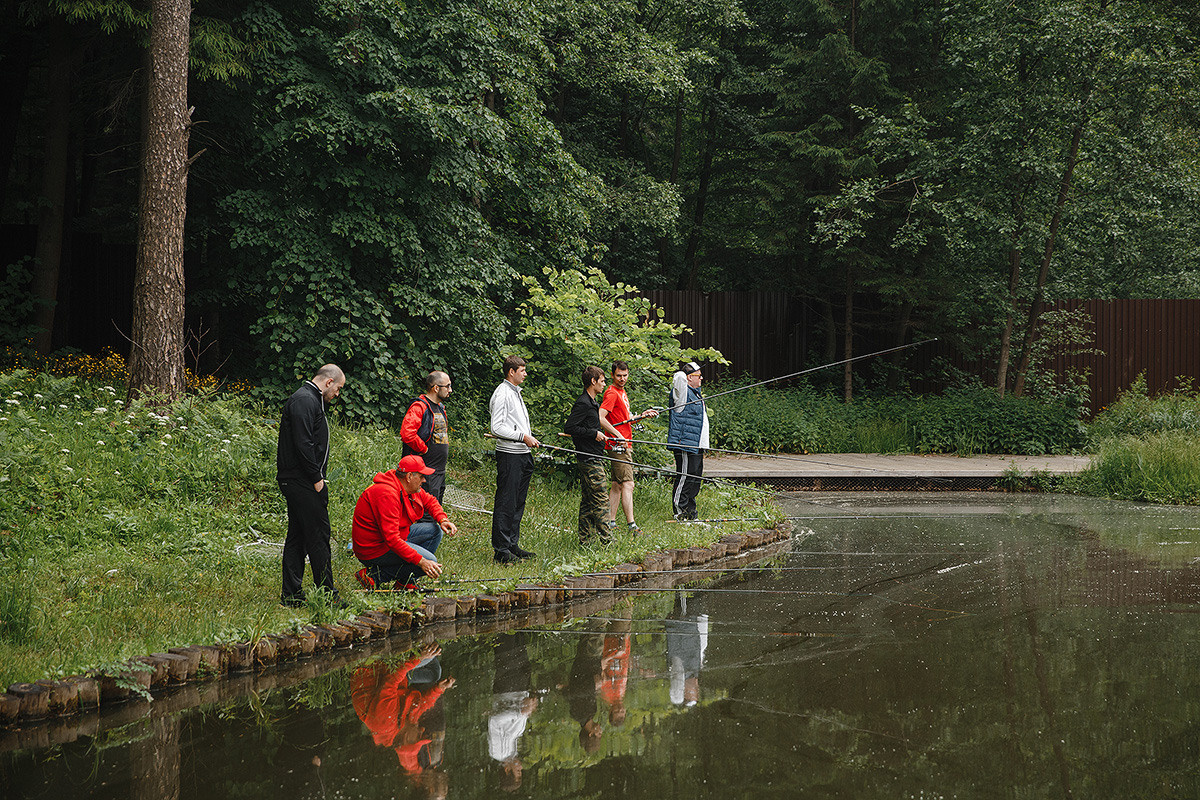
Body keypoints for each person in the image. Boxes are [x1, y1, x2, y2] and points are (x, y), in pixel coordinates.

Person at [277, 363, 345, 607]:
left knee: (298, 536)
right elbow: (303, 444)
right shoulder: (305, 400)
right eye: (338, 389)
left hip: (300, 478)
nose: (338, 394)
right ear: (328, 382)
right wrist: (317, 479)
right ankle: (327, 595)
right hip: (301, 479)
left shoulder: (312, 400)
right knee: (318, 534)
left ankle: (292, 595)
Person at [351, 455, 458, 591]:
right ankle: (374, 576)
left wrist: (442, 519)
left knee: (434, 531)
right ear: (409, 477)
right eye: (421, 476)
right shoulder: (387, 494)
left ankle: (406, 581)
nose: (424, 480)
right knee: (430, 562)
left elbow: (429, 501)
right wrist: (422, 562)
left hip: (389, 539)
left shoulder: (406, 487)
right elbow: (392, 540)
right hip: (373, 549)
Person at [489, 356, 541, 563]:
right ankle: (501, 550)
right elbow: (496, 427)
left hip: (522, 455)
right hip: (509, 455)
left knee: (517, 502)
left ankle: (512, 544)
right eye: (522, 370)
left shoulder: (515, 393)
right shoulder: (502, 393)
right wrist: (523, 436)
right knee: (506, 502)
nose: (525, 373)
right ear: (511, 372)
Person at [599, 360, 659, 535]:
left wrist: (641, 416)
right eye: (618, 375)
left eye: (625, 375)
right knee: (628, 484)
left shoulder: (621, 392)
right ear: (612, 375)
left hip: (623, 442)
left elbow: (624, 418)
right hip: (618, 444)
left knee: (617, 485)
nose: (622, 378)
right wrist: (617, 436)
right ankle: (631, 525)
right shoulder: (611, 393)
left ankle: (610, 522)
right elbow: (601, 418)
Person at [565, 365, 621, 544]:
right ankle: (607, 541)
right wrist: (594, 433)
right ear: (593, 381)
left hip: (594, 456)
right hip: (588, 458)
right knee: (601, 499)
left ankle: (585, 540)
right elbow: (570, 428)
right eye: (602, 381)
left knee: (588, 502)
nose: (604, 384)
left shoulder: (593, 403)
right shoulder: (583, 403)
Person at [401, 371, 453, 520]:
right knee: (423, 516)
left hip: (439, 472)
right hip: (424, 473)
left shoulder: (440, 408)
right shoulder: (419, 407)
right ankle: (414, 542)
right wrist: (424, 449)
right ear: (436, 388)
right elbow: (407, 433)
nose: (450, 390)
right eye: (447, 386)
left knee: (435, 512)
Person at [666, 361, 709, 521]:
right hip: (684, 443)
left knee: (694, 478)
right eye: (698, 375)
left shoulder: (696, 393)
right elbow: (678, 378)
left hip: (697, 445)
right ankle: (680, 512)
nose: (701, 378)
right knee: (685, 476)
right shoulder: (682, 393)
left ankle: (691, 513)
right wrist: (686, 372)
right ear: (689, 377)